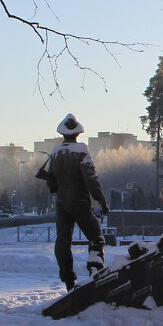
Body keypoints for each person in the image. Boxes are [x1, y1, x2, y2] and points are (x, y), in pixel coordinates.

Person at [38, 113, 110, 290]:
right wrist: (101, 201)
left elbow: (52, 182)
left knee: (63, 240)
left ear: (62, 133)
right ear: (78, 133)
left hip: (62, 203)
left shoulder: (55, 153)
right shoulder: (81, 151)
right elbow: (91, 179)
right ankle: (95, 270)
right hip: (79, 201)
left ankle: (68, 281)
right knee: (96, 238)